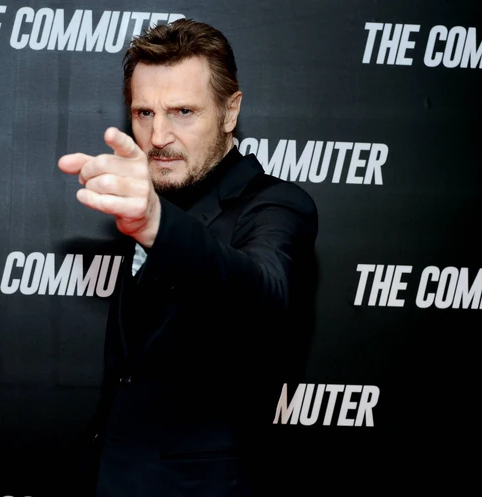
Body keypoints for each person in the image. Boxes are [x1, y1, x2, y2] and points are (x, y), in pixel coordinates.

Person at [58, 18, 318, 497]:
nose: (158, 136)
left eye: (182, 112)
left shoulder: (276, 205)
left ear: (229, 111)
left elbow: (265, 291)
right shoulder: (150, 202)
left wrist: (155, 225)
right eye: (144, 112)